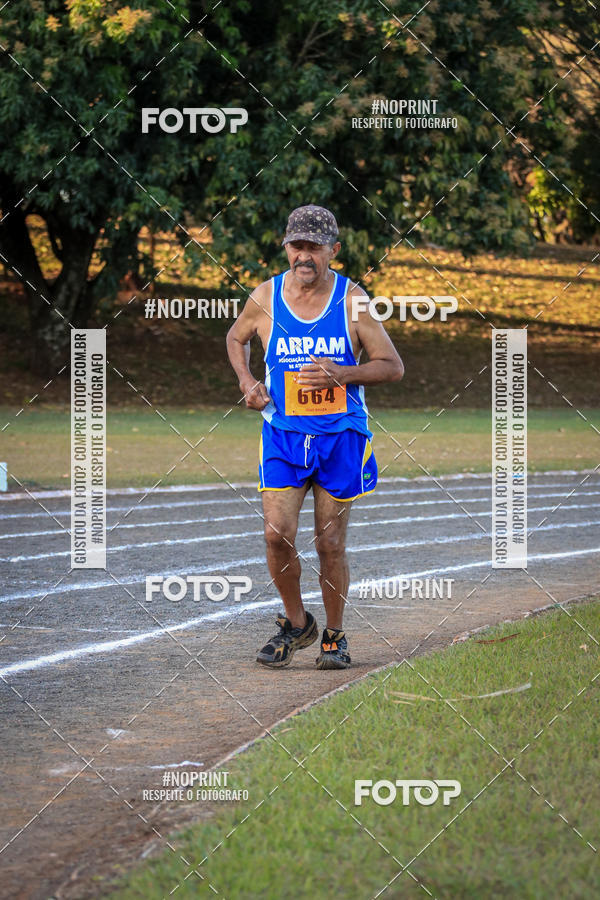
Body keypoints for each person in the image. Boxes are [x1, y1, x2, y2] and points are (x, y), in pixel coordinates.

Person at [226, 205, 404, 670]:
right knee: (275, 536)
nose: (304, 256)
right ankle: (296, 623)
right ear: (286, 247)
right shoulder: (265, 296)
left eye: (314, 247)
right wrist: (247, 381)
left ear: (333, 250)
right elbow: (235, 337)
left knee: (329, 544)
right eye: (297, 246)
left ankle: (334, 635)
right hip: (284, 435)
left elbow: (392, 366)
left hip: (340, 436)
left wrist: (342, 373)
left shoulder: (353, 301)